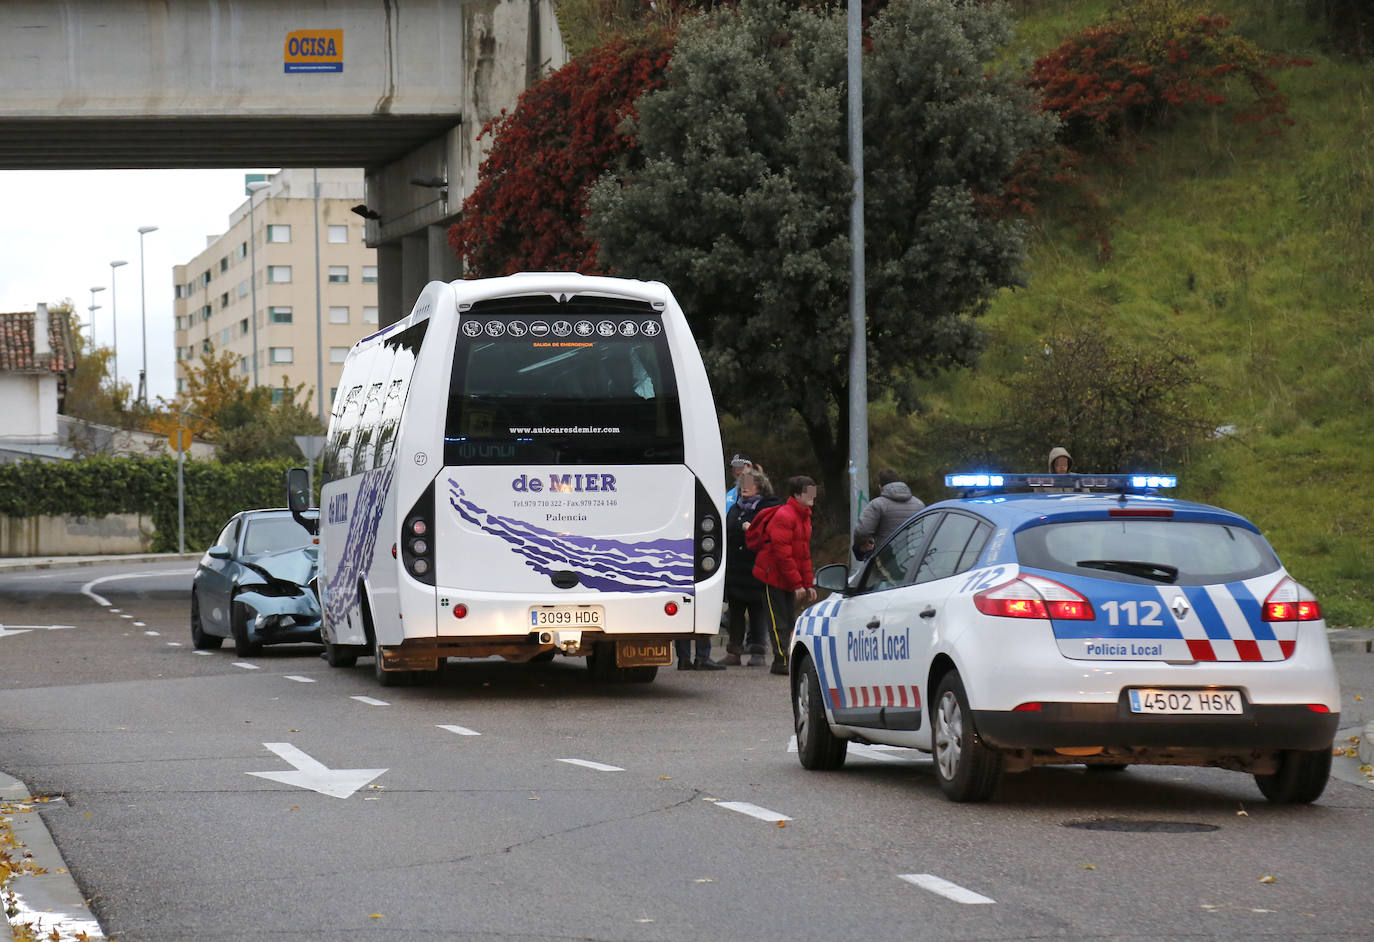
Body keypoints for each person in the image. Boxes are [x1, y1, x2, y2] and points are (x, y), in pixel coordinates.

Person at [751, 475, 818, 675]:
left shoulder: (805, 517)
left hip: (787, 577)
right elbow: (782, 554)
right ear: (797, 495)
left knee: (790, 619)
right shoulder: (785, 516)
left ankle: (786, 658)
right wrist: (798, 583)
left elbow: (804, 555)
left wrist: (808, 583)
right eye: (809, 491)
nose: (813, 496)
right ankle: (780, 661)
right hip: (773, 576)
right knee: (778, 620)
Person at [720, 468, 779, 666]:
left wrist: (752, 529)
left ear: (760, 486)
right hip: (736, 568)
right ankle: (734, 651)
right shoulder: (735, 507)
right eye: (742, 484)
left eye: (749, 484)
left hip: (758, 567)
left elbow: (771, 536)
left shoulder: (768, 508)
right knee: (736, 610)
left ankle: (758, 651)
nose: (744, 487)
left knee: (757, 609)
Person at [851, 468, 924, 561]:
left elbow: (861, 531)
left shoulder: (877, 505)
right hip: (915, 559)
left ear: (881, 487)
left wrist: (864, 544)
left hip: (887, 561)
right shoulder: (919, 504)